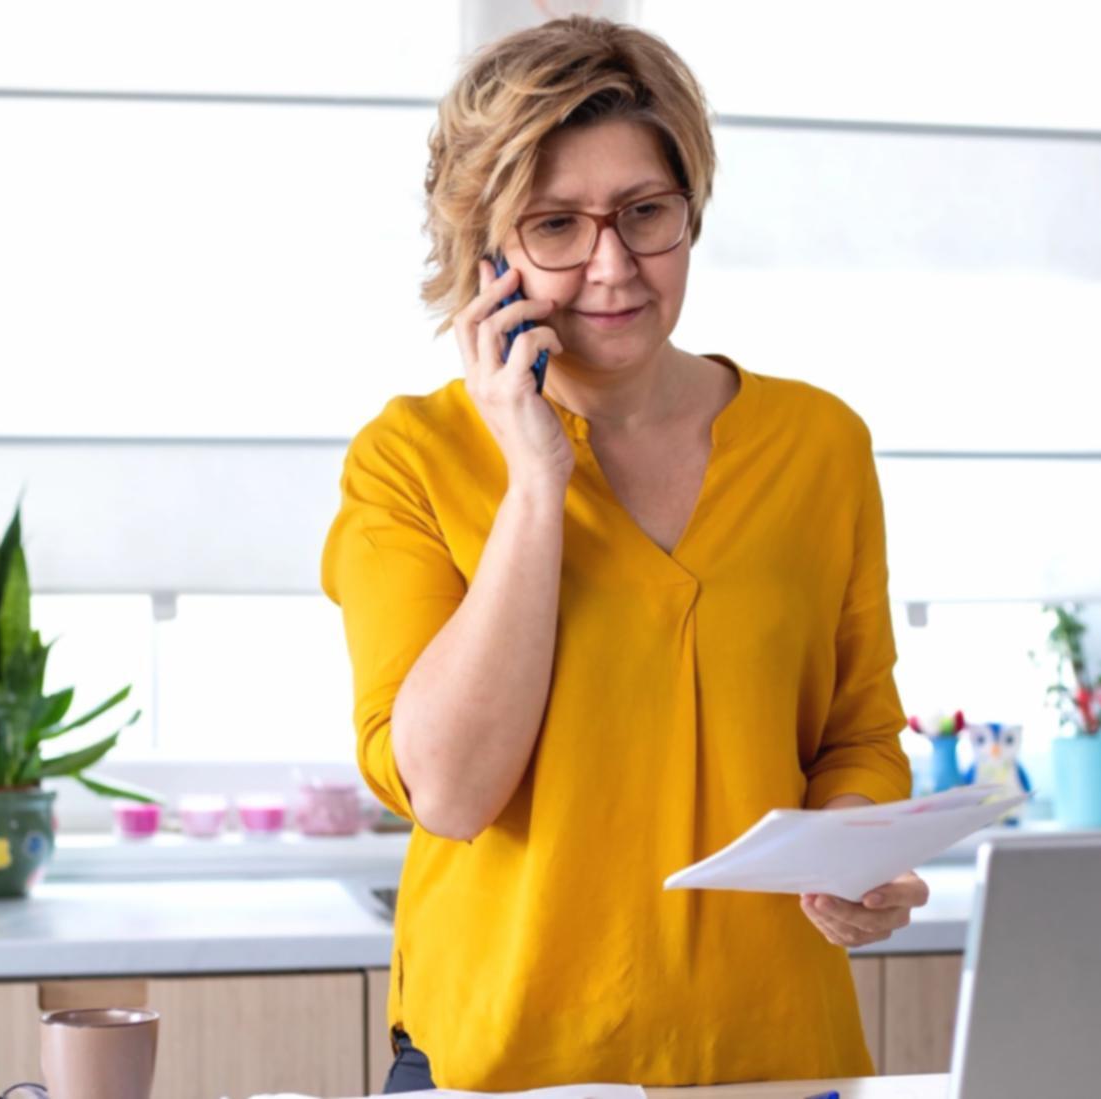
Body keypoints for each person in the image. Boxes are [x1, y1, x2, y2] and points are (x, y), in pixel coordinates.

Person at [321, 15, 926, 1093]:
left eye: (646, 213)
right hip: (502, 1064)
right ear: (487, 250)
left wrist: (853, 848)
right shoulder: (410, 461)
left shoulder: (819, 444)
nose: (613, 267)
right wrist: (536, 480)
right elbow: (451, 791)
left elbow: (858, 736)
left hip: (773, 1057)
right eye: (556, 225)